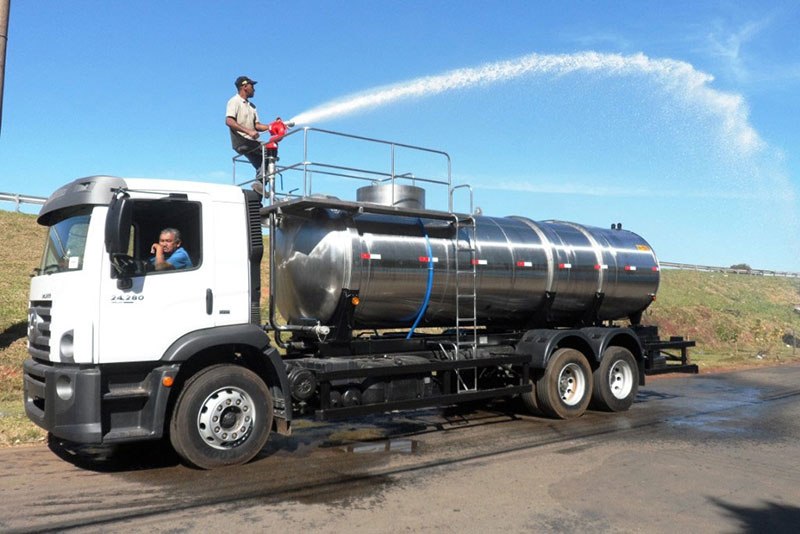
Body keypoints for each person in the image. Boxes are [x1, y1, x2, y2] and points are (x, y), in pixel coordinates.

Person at [226, 75, 271, 192]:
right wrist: (249, 131)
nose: (254, 89)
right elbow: (229, 121)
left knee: (266, 165)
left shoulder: (252, 106)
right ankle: (260, 182)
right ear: (245, 86)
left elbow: (257, 125)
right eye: (252, 86)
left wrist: (271, 126)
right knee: (269, 149)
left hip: (251, 142)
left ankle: (259, 190)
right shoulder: (234, 101)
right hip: (241, 140)